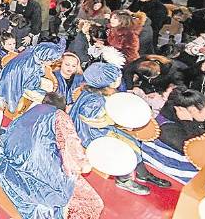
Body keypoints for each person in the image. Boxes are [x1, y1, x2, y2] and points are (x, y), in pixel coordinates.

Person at [0, 94, 103, 219]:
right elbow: (70, 146)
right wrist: (83, 163)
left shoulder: (32, 110)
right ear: (63, 108)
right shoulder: (60, 116)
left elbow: (10, 132)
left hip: (12, 166)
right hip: (39, 170)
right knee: (93, 203)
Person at [69, 63, 171, 195]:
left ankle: (142, 174)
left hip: (101, 128)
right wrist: (115, 119)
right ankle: (123, 180)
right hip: (89, 133)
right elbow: (92, 120)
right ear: (105, 81)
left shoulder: (100, 92)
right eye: (116, 77)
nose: (119, 79)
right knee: (126, 148)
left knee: (133, 142)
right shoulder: (96, 100)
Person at [141, 88, 205, 184]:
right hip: (170, 173)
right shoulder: (170, 128)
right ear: (193, 110)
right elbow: (198, 153)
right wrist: (188, 123)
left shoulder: (169, 113)